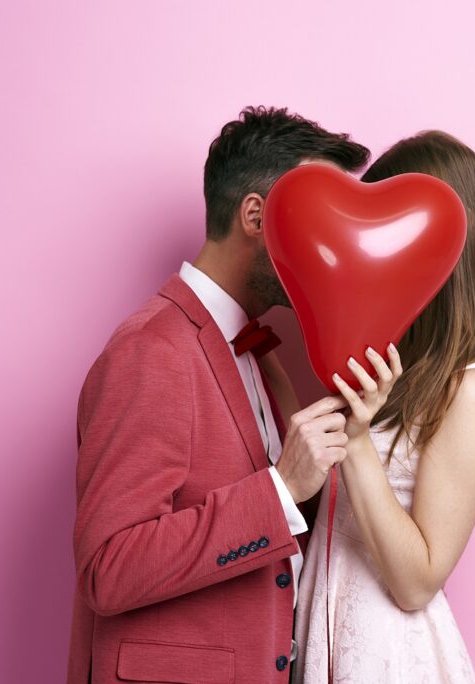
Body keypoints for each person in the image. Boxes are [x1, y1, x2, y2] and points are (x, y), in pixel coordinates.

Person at [66, 106, 370, 684]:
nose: (335, 247)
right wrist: (280, 488)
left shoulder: (258, 353)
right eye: (321, 220)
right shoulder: (152, 351)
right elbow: (109, 568)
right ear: (256, 216)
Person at [293, 130, 475, 683]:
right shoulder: (396, 360)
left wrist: (360, 435)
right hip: (317, 628)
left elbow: (417, 583)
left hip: (386, 657)